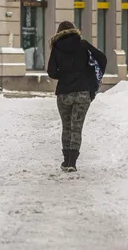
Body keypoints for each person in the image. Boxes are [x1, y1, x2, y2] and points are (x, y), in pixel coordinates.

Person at [47, 21, 107, 173]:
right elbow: (102, 59)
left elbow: (51, 72)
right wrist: (90, 74)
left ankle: (66, 160)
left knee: (66, 126)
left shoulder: (56, 47)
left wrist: (65, 74)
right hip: (82, 91)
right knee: (77, 127)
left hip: (63, 93)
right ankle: (72, 162)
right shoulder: (83, 45)